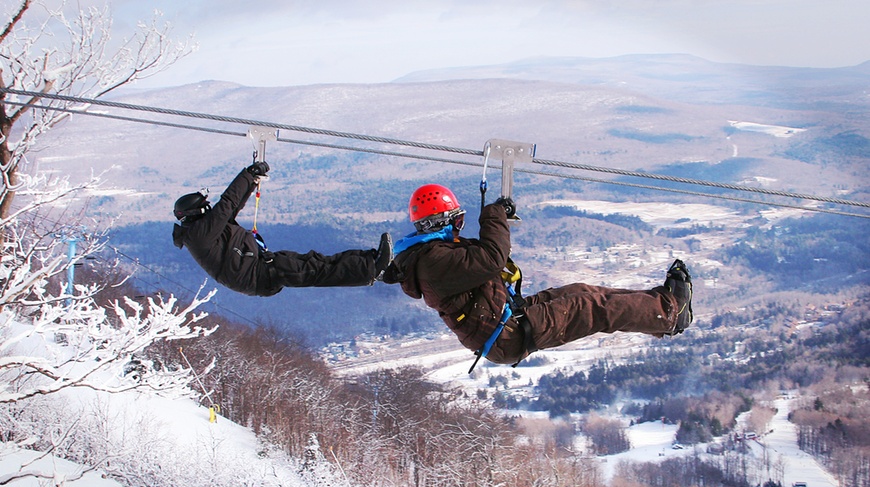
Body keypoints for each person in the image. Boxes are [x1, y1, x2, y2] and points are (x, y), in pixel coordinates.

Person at [382, 183, 693, 369]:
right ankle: (668, 313)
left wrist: (497, 216)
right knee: (590, 308)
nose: (461, 226)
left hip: (506, 318)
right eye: (458, 220)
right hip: (507, 334)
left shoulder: (432, 255)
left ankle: (658, 308)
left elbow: (482, 262)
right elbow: (491, 258)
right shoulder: (434, 262)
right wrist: (494, 214)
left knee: (581, 291)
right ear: (442, 221)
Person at [172, 161, 393, 296]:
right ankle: (372, 269)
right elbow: (225, 205)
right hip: (258, 274)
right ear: (197, 212)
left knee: (317, 262)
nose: (209, 208)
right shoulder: (200, 236)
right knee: (316, 271)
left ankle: (374, 262)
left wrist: (252, 180)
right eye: (205, 206)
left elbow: (231, 208)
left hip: (260, 266)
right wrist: (247, 175)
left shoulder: (203, 231)